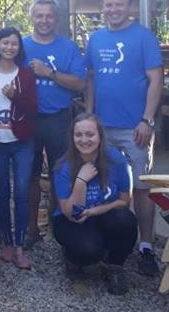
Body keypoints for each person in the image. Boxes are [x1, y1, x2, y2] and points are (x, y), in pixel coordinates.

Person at [84, 0, 163, 276]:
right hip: (102, 128)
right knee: (106, 184)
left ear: (129, 7)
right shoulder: (95, 38)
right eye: (109, 5)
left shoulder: (143, 37)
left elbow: (156, 80)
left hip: (135, 128)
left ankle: (145, 246)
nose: (113, 10)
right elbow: (90, 78)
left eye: (119, 5)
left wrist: (147, 119)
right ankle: (111, 239)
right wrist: (89, 114)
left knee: (142, 187)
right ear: (102, 6)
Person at [22, 0, 87, 245]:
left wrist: (49, 73)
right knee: (30, 175)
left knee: (62, 173)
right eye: (39, 16)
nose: (44, 20)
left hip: (59, 118)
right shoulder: (22, 46)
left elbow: (80, 83)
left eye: (48, 16)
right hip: (28, 119)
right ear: (32, 18)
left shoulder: (68, 48)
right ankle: (31, 230)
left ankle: (58, 227)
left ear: (56, 19)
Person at [51, 113, 137, 295]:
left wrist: (93, 211)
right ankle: (72, 259)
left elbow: (124, 201)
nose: (84, 140)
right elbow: (72, 214)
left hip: (102, 215)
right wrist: (81, 180)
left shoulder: (117, 161)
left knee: (126, 220)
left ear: (100, 136)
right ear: (72, 137)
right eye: (78, 135)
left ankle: (115, 266)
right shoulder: (63, 166)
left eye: (90, 134)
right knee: (89, 251)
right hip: (70, 221)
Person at [0, 27, 38, 269]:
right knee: (2, 193)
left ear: (19, 48)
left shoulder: (25, 74)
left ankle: (20, 246)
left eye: (14, 43)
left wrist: (16, 96)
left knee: (22, 193)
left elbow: (33, 108)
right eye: (5, 43)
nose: (9, 47)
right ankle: (5, 241)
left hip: (22, 141)